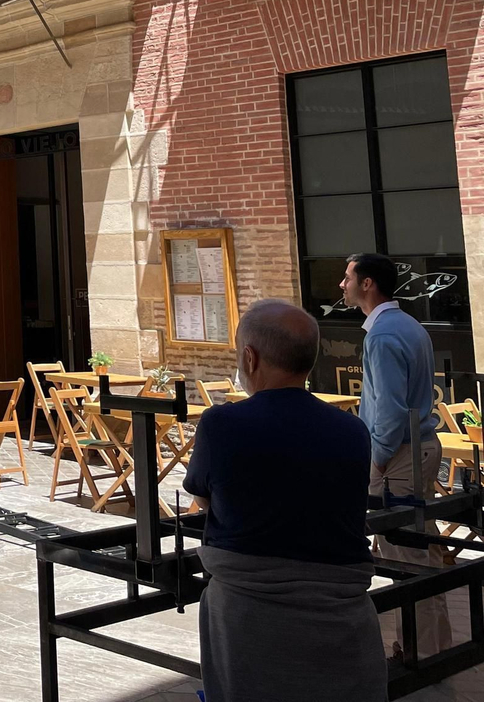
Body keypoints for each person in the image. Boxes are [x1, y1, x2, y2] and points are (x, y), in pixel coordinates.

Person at [184, 299, 383, 702]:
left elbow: (203, 499)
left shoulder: (222, 424)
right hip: (342, 611)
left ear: (249, 357)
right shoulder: (352, 430)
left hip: (249, 615)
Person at [348, 250, 453, 657]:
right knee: (418, 551)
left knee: (406, 556)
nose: (342, 284)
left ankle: (421, 651)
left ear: (367, 283)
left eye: (348, 277)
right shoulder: (405, 324)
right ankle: (426, 646)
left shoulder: (384, 334)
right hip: (416, 448)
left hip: (401, 455)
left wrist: (376, 458)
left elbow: (390, 409)